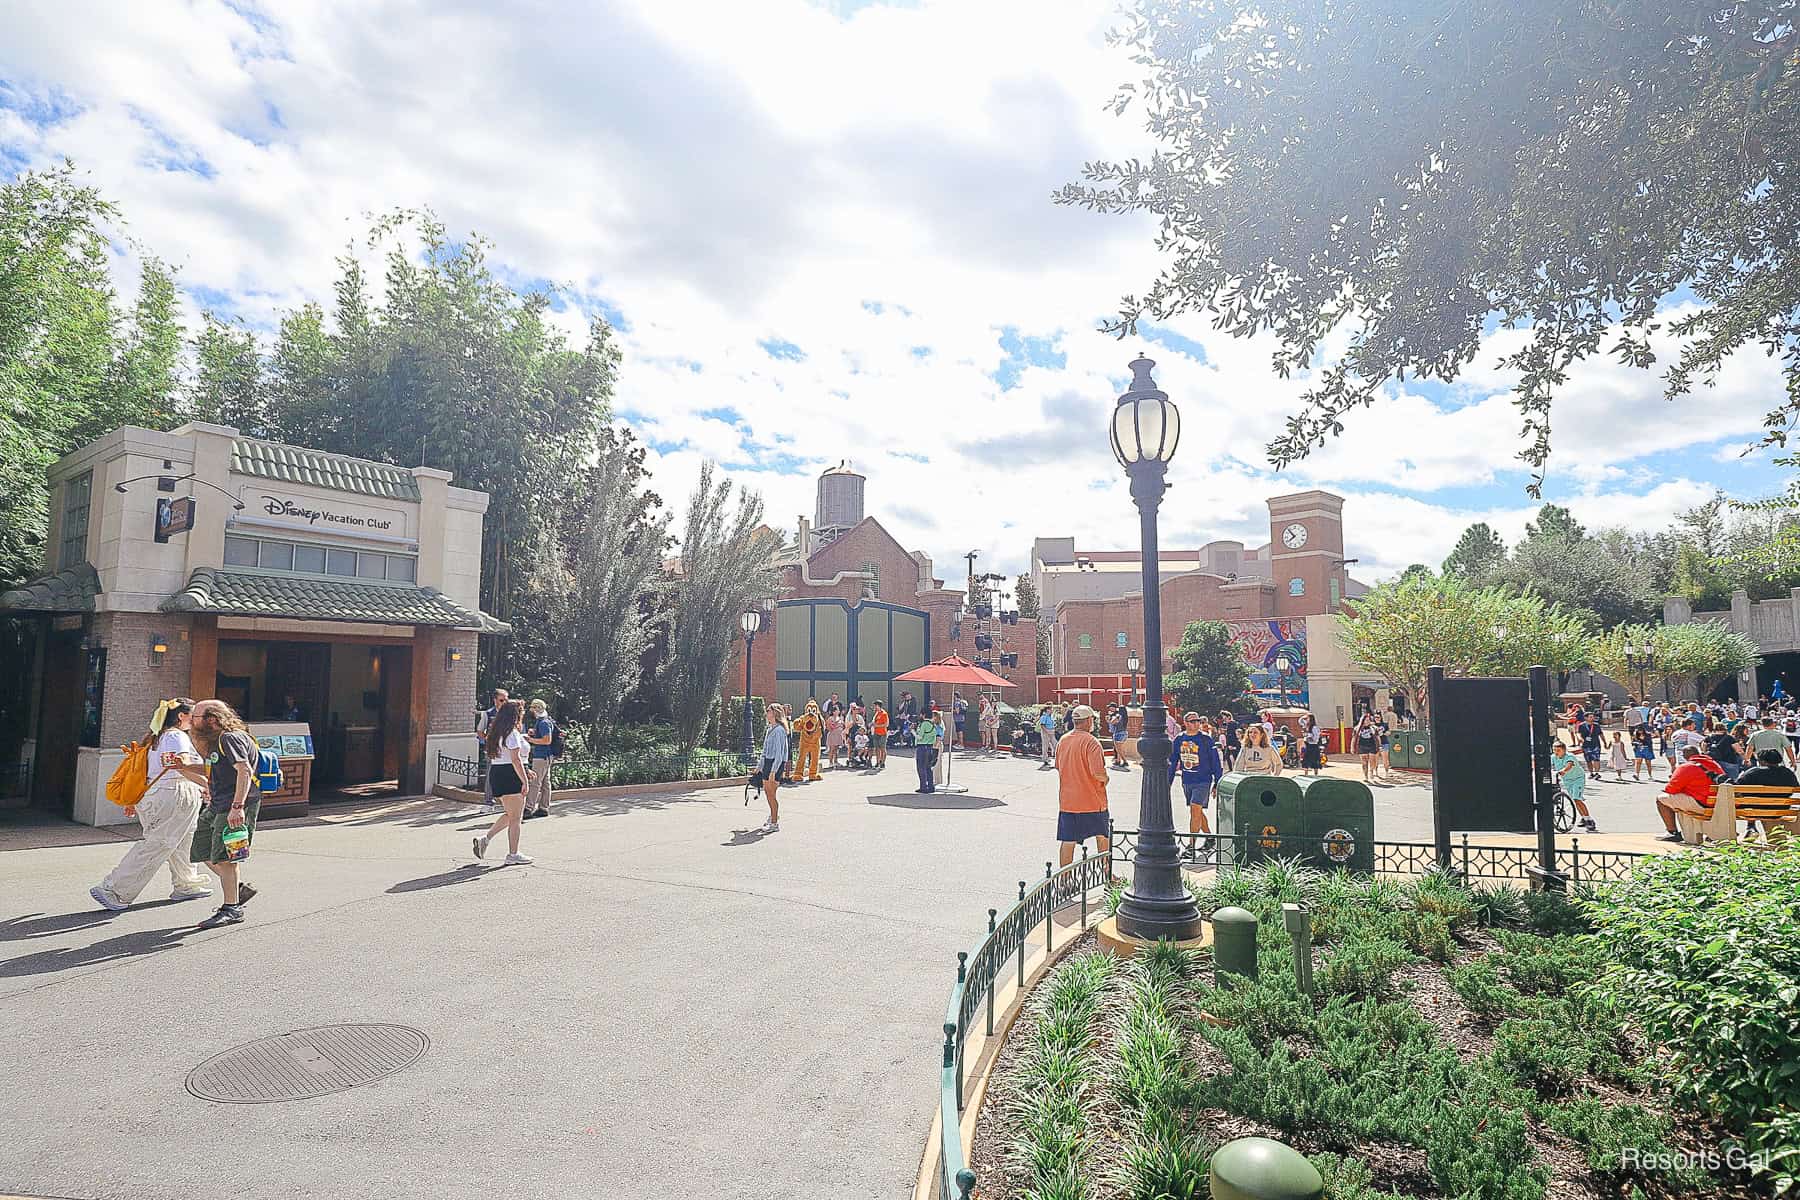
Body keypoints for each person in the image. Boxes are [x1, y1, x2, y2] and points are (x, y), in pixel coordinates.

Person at [90, 698, 213, 912]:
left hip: (158, 794)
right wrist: (209, 784)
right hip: (175, 793)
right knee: (160, 842)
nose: (195, 720)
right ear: (182, 717)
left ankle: (187, 883)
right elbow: (181, 766)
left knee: (181, 840)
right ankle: (114, 889)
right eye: (192, 715)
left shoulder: (156, 738)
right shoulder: (176, 736)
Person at [188, 700, 263, 929]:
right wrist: (181, 766)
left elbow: (244, 770)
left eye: (196, 717)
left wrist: (237, 807)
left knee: (227, 857)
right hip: (218, 805)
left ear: (212, 719)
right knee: (202, 850)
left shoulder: (230, 738)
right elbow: (215, 770)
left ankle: (232, 908)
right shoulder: (215, 742)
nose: (192, 721)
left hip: (237, 806)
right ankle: (236, 887)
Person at [473, 699, 533, 865]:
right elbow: (515, 759)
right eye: (521, 712)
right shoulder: (511, 733)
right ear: (515, 715)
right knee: (516, 818)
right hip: (510, 774)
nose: (522, 714)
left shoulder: (496, 732)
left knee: (510, 814)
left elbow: (507, 758)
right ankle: (513, 854)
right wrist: (525, 781)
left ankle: (485, 839)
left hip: (499, 773)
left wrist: (527, 771)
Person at [1055, 705, 1110, 866]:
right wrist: (1106, 779)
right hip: (1092, 801)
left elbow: (1059, 766)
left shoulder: (1063, 740)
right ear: (1089, 721)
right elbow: (1098, 773)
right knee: (1102, 837)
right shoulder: (1091, 742)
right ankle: (1106, 873)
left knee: (1068, 841)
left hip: (1068, 802)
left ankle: (1065, 880)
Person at [1170, 712, 1223, 862]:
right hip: (1187, 780)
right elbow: (1173, 761)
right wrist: (1168, 782)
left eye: (1198, 721)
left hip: (1203, 780)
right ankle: (1210, 837)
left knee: (1195, 808)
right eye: (1192, 721)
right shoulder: (1179, 739)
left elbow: (1215, 762)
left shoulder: (1205, 738)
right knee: (1197, 811)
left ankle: (1191, 846)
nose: (1196, 723)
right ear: (1185, 722)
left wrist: (1217, 782)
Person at [1657, 744, 1726, 842]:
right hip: (1717, 803)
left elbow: (1670, 789)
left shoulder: (1686, 767)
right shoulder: (1714, 764)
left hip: (1701, 804)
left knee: (1660, 799)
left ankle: (1672, 832)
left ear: (1684, 756)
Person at [1735, 747, 1800, 838]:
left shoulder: (1752, 772)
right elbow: (1795, 787)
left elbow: (1736, 788)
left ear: (1763, 761)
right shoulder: (1788, 773)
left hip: (1754, 809)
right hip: (1780, 809)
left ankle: (1751, 828)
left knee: (1747, 799)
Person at [474, 687, 509, 815]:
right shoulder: (488, 714)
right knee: (490, 775)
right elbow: (480, 731)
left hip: (508, 750)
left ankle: (507, 802)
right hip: (493, 751)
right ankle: (489, 802)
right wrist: (488, 741)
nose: (504, 702)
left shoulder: (510, 713)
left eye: (506, 700)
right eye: (501, 700)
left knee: (508, 775)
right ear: (495, 700)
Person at [756, 702, 788, 832]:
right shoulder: (770, 729)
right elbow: (764, 750)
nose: (766, 713)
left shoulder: (779, 731)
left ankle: (774, 823)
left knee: (771, 794)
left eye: (768, 710)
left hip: (776, 763)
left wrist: (774, 770)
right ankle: (773, 815)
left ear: (774, 713)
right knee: (769, 793)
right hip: (768, 762)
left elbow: (779, 753)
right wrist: (760, 766)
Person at [1550, 743, 1597, 832]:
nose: (1556, 752)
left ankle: (1589, 820)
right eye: (1554, 750)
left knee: (1577, 798)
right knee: (1575, 800)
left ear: (1564, 750)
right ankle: (1584, 817)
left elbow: (1569, 765)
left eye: (1558, 750)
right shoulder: (1553, 757)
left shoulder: (1570, 756)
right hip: (1567, 781)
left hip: (1577, 779)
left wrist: (1563, 770)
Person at [523, 698, 557, 819]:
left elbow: (547, 740)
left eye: (532, 708)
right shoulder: (544, 721)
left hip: (541, 756)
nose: (531, 710)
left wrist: (530, 739)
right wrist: (534, 732)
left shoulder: (543, 723)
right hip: (546, 756)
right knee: (545, 783)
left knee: (535, 782)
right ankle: (543, 808)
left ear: (537, 708)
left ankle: (528, 808)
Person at [795, 700, 824, 781]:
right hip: (804, 741)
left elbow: (822, 729)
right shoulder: (803, 718)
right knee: (801, 757)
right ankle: (798, 773)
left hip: (815, 742)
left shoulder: (819, 719)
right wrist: (798, 722)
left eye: (813, 710)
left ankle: (813, 773)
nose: (811, 713)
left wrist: (817, 735)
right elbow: (796, 727)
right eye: (809, 710)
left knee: (815, 758)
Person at [913, 708, 940, 793]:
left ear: (924, 715)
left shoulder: (924, 724)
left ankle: (923, 787)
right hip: (930, 747)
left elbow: (920, 737)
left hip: (922, 748)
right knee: (928, 768)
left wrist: (912, 731)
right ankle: (931, 786)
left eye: (921, 714)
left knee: (921, 768)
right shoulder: (933, 724)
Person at [1354, 713, 1381, 782]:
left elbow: (1378, 738)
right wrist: (1352, 747)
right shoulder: (1357, 728)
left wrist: (1379, 746)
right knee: (1364, 762)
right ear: (1362, 720)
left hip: (1372, 745)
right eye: (1366, 720)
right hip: (1362, 746)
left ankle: (1371, 772)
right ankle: (1366, 776)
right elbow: (1354, 738)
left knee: (1372, 761)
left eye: (1368, 720)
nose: (1367, 721)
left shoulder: (1374, 728)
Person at [1108, 705, 1130, 770]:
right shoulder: (1125, 717)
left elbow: (1112, 722)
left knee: (1118, 749)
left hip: (1118, 733)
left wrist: (1109, 719)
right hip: (1124, 733)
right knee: (1119, 749)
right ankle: (1118, 761)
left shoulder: (1118, 716)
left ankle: (1125, 761)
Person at [871, 701, 890, 770]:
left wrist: (877, 725)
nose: (874, 707)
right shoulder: (876, 713)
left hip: (882, 733)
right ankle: (877, 762)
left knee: (882, 748)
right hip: (876, 732)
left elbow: (886, 724)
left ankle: (882, 762)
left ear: (878, 706)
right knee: (877, 749)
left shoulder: (884, 713)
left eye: (875, 706)